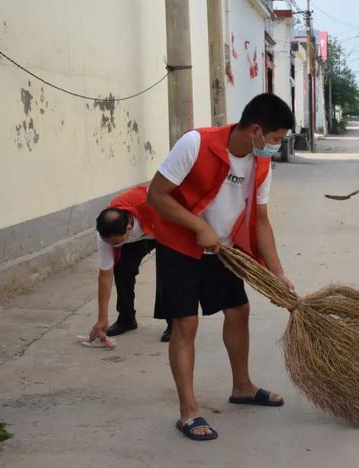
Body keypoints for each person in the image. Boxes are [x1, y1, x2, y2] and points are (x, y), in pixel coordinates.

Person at [147, 93, 295, 441]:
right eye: (275, 139)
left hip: (223, 249)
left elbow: (261, 221)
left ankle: (242, 386)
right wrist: (198, 226)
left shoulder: (260, 164)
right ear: (256, 131)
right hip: (179, 246)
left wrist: (278, 273)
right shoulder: (195, 144)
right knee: (185, 322)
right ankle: (188, 411)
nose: (276, 147)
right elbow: (156, 195)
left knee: (238, 310)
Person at [89, 185, 172, 343]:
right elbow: (105, 276)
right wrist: (102, 319)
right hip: (141, 237)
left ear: (128, 229)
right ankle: (126, 319)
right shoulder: (105, 234)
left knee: (168, 274)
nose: (113, 246)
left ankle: (174, 323)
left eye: (117, 243)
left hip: (165, 228)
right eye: (111, 244)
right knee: (122, 271)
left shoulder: (151, 203)